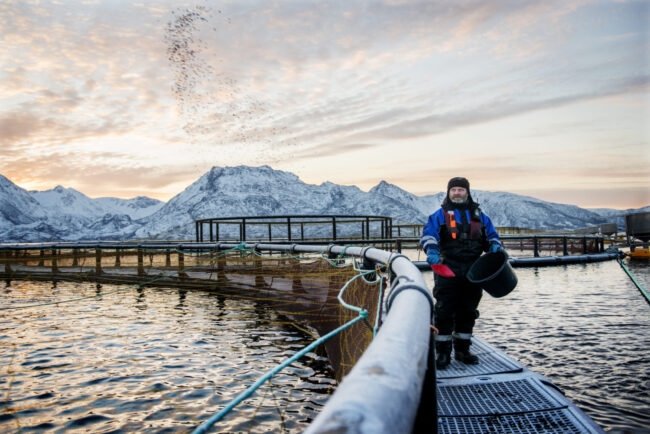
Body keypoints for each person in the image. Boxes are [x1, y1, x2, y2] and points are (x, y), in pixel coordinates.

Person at [419, 177, 504, 369]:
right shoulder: (439, 215)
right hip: (447, 270)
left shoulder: (480, 216)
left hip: (474, 272)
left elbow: (492, 236)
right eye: (454, 190)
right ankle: (442, 353)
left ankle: (462, 350)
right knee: (444, 311)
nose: (457, 193)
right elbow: (428, 234)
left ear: (467, 192)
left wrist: (495, 246)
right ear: (448, 192)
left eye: (461, 190)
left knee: (469, 311)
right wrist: (431, 250)